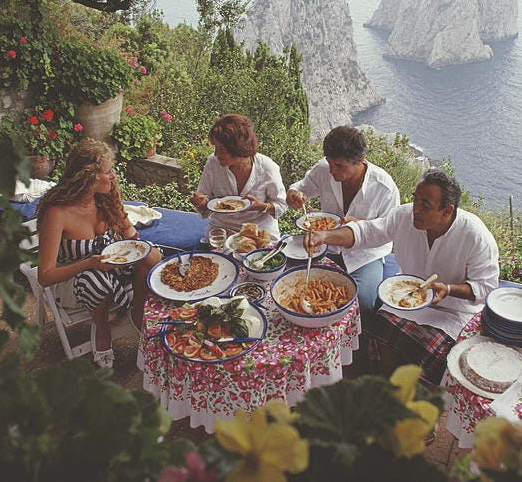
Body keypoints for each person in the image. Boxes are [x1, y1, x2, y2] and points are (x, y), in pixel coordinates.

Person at [306, 168, 499, 385]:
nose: (416, 209)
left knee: (435, 350)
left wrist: (449, 289)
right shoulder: (404, 216)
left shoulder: (475, 235)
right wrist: (324, 236)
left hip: (452, 313)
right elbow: (366, 232)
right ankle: (388, 385)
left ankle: (420, 394)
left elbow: (487, 288)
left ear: (447, 210)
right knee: (379, 325)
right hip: (405, 298)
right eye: (416, 199)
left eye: (426, 205)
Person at [36, 139, 162, 368]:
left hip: (106, 265)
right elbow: (45, 276)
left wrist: (139, 248)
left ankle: (138, 312)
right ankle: (102, 328)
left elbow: (129, 232)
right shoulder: (57, 213)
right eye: (108, 171)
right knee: (98, 281)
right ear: (88, 176)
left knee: (152, 256)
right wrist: (89, 263)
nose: (113, 176)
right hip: (71, 278)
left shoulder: (104, 197)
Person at [286, 125, 399, 313]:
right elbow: (300, 187)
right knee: (299, 286)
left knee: (362, 301)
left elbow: (387, 232)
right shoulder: (324, 169)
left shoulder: (384, 188)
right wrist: (294, 195)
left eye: (339, 166)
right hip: (327, 248)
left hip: (365, 255)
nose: (331, 171)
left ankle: (360, 340)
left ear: (360, 160)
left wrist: (359, 228)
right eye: (329, 163)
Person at [190, 114, 287, 238]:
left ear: (237, 148)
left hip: (259, 232)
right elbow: (204, 202)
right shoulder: (213, 163)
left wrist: (261, 206)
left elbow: (282, 205)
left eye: (221, 149)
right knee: (221, 255)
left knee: (254, 255)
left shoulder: (267, 168)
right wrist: (200, 203)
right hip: (223, 230)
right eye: (215, 147)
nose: (216, 153)